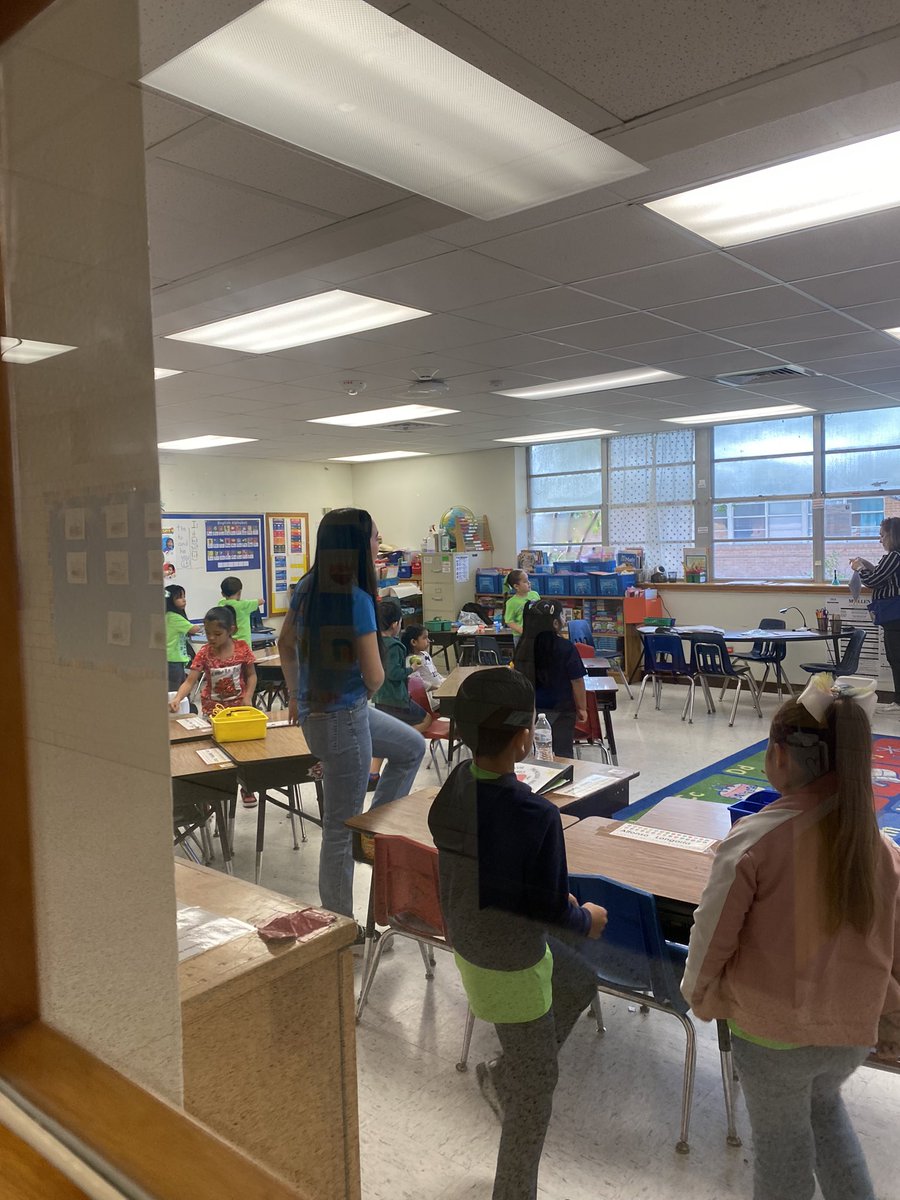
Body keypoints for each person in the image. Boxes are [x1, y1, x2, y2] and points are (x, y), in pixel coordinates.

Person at [682, 675, 900, 1200]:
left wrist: (699, 993)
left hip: (772, 1033)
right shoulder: (878, 845)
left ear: (780, 756)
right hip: (849, 1033)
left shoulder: (755, 840)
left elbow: (714, 935)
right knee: (827, 1116)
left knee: (781, 1151)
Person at [428, 668, 606, 1200]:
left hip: (471, 938)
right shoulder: (535, 816)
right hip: (512, 967)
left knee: (578, 983)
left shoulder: (457, 783)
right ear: (525, 734)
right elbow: (553, 913)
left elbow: (500, 873)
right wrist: (585, 919)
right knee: (535, 1097)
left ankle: (507, 1070)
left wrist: (549, 899)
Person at [278, 509, 425, 923]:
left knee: (412, 746)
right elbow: (376, 676)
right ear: (358, 546)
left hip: (319, 715)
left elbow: (284, 642)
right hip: (345, 718)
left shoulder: (307, 587)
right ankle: (341, 927)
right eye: (376, 539)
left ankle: (375, 829)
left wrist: (294, 694)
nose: (380, 546)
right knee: (340, 827)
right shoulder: (357, 599)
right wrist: (366, 690)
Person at [168, 606, 257, 762]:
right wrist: (177, 698)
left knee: (243, 751)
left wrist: (248, 696)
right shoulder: (204, 652)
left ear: (231, 630)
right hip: (213, 712)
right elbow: (190, 681)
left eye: (217, 634)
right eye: (208, 633)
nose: (211, 638)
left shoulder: (242, 648)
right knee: (217, 753)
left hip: (239, 710)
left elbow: (251, 675)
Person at [513, 598, 587, 758]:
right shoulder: (566, 647)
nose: (564, 619)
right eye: (562, 616)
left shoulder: (522, 648)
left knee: (535, 754)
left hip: (531, 710)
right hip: (562, 709)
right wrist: (582, 707)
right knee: (563, 754)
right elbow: (577, 680)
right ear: (555, 623)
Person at [851, 516, 900, 717]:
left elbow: (874, 579)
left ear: (892, 535)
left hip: (894, 614)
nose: (880, 540)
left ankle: (898, 701)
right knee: (895, 657)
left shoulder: (895, 556)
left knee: (896, 658)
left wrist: (860, 568)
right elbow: (880, 573)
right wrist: (866, 565)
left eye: (882, 536)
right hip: (893, 614)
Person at [371, 600, 434, 732]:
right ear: (395, 625)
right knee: (427, 719)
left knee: (391, 727)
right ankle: (406, 739)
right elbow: (394, 673)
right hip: (396, 699)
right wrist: (412, 669)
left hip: (380, 697)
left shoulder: (375, 642)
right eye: (400, 622)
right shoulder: (395, 646)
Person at [164, 584, 199, 693]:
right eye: (179, 597)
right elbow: (194, 629)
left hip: (172, 659)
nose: (184, 600)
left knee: (176, 689)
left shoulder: (168, 615)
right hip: (173, 660)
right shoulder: (174, 617)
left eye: (184, 597)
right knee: (177, 691)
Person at [402, 623, 445, 710]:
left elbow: (434, 673)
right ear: (414, 642)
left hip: (439, 691)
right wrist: (436, 687)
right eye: (425, 638)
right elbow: (416, 683)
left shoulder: (425, 654)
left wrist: (444, 681)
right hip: (431, 699)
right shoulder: (411, 660)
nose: (428, 640)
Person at [220, 576, 263, 648]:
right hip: (243, 643)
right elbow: (261, 601)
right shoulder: (244, 605)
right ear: (239, 592)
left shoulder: (221, 603)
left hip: (227, 643)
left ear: (222, 594)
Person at [502, 570, 540, 635]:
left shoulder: (535, 594)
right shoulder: (511, 602)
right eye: (525, 581)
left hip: (536, 633)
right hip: (520, 636)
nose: (529, 583)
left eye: (528, 580)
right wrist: (521, 630)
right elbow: (509, 621)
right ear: (516, 586)